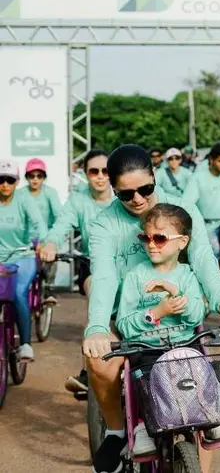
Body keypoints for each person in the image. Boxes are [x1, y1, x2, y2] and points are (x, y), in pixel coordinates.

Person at [81, 144, 220, 473]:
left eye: (145, 189)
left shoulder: (183, 209)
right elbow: (102, 276)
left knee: (201, 395)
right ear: (113, 189)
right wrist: (98, 327)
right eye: (126, 194)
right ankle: (117, 431)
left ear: (155, 176)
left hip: (180, 315)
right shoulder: (103, 224)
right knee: (99, 363)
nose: (138, 199)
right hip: (128, 313)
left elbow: (203, 260)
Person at [116, 203, 220, 458]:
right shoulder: (135, 277)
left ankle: (212, 413)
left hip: (183, 342)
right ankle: (142, 426)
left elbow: (197, 315)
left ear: (182, 242)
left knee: (200, 366)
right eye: (145, 238)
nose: (151, 244)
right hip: (147, 345)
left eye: (159, 238)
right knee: (142, 375)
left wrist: (175, 294)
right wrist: (155, 313)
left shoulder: (187, 275)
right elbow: (124, 324)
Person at [38, 149, 116, 393]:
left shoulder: (123, 195)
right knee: (97, 295)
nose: (101, 177)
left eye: (106, 171)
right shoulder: (78, 200)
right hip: (91, 266)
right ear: (85, 174)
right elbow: (61, 225)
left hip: (127, 266)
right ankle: (89, 369)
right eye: (94, 171)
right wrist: (51, 243)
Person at [0, 159, 47, 362]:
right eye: (0, 180)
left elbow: (39, 222)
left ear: (17, 181)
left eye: (10, 180)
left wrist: (44, 242)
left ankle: (26, 345)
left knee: (18, 292)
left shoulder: (24, 199)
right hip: (1, 259)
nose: (5, 184)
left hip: (23, 256)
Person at [24, 158, 63, 230]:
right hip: (25, 238)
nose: (35, 179)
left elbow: (59, 216)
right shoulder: (20, 193)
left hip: (47, 237)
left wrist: (54, 236)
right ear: (27, 177)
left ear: (44, 177)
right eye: (32, 176)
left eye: (39, 176)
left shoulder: (51, 192)